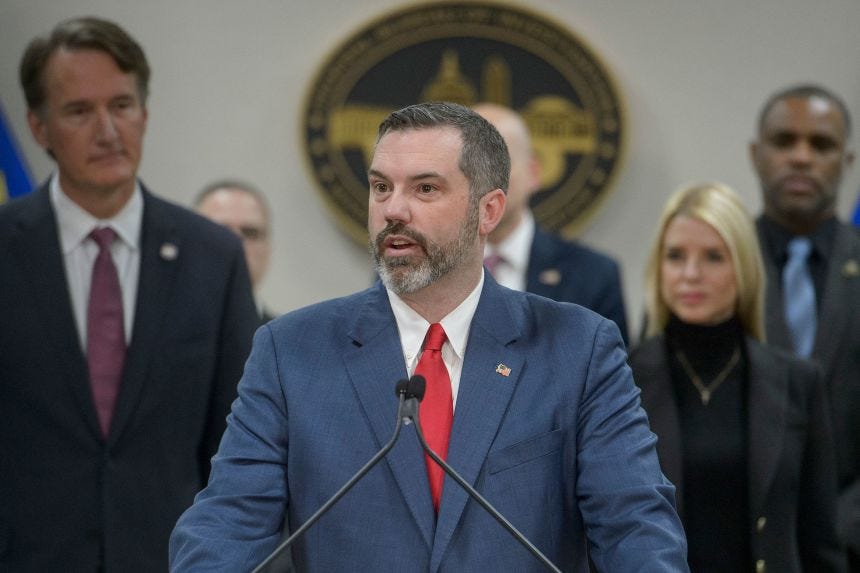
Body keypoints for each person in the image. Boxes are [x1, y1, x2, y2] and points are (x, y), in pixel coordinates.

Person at [169, 101, 688, 571]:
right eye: (380, 187)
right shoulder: (291, 351)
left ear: (488, 210)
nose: (393, 209)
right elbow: (226, 527)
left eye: (425, 188)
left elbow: (635, 527)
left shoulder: (577, 348)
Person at [0, 17, 259, 572]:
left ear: (144, 113)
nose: (107, 131)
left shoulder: (212, 258)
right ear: (39, 128)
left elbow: (236, 446)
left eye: (121, 106)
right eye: (79, 111)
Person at [630, 182, 845, 572]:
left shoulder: (797, 381)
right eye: (676, 256)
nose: (690, 274)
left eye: (713, 257)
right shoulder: (621, 380)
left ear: (743, 267)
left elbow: (819, 542)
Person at [750, 84, 860, 569]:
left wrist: (838, 527)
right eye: (784, 141)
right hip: (739, 545)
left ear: (848, 159)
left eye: (821, 145)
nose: (801, 157)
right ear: (756, 154)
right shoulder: (711, 270)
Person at [473, 103, 629, 344]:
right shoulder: (426, 271)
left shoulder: (592, 275)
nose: (483, 180)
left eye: (498, 164)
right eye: (470, 166)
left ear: (533, 173)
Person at [194, 179, 276, 322]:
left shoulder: (283, 341)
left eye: (250, 233)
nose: (237, 245)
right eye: (220, 231)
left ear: (268, 248)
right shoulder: (156, 330)